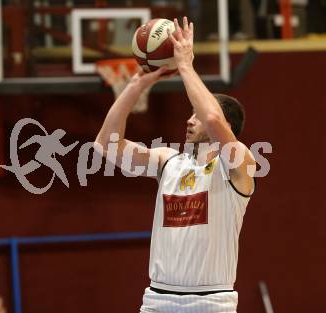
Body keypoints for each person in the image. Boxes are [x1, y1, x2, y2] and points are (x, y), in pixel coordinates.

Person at [95, 17, 256, 313]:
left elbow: (212, 119)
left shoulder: (239, 163)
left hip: (211, 302)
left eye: (195, 113)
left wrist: (185, 64)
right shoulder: (168, 161)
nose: (189, 119)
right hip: (158, 299)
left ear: (227, 125)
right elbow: (105, 145)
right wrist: (135, 85)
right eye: (190, 113)